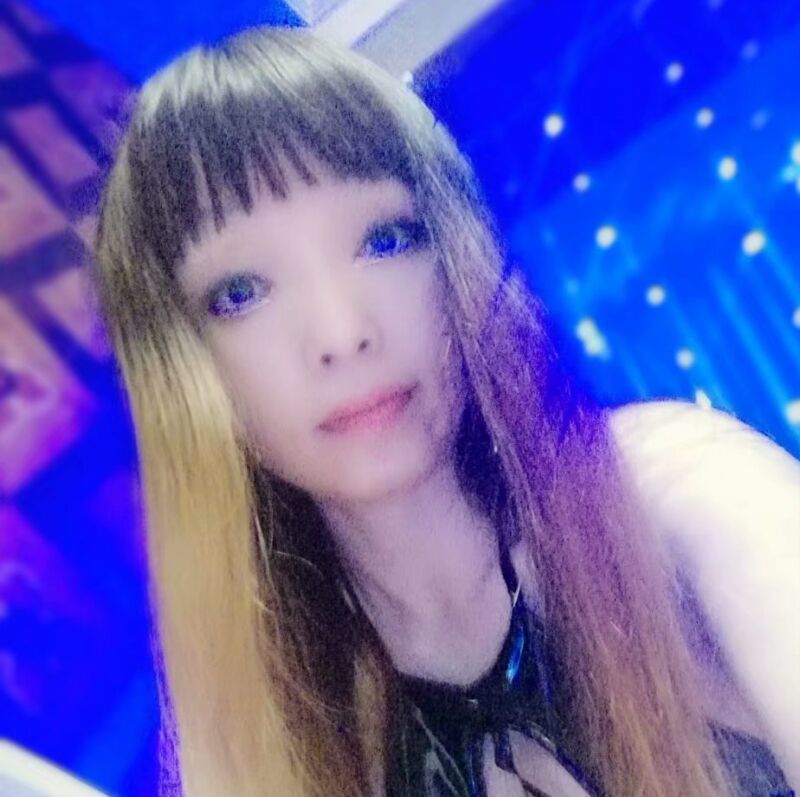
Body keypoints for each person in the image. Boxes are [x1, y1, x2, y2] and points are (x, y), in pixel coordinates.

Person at [90, 25, 799, 797]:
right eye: (240, 292)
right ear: (178, 372)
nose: (342, 333)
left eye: (386, 240)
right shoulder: (275, 739)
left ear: (455, 244)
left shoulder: (673, 501)